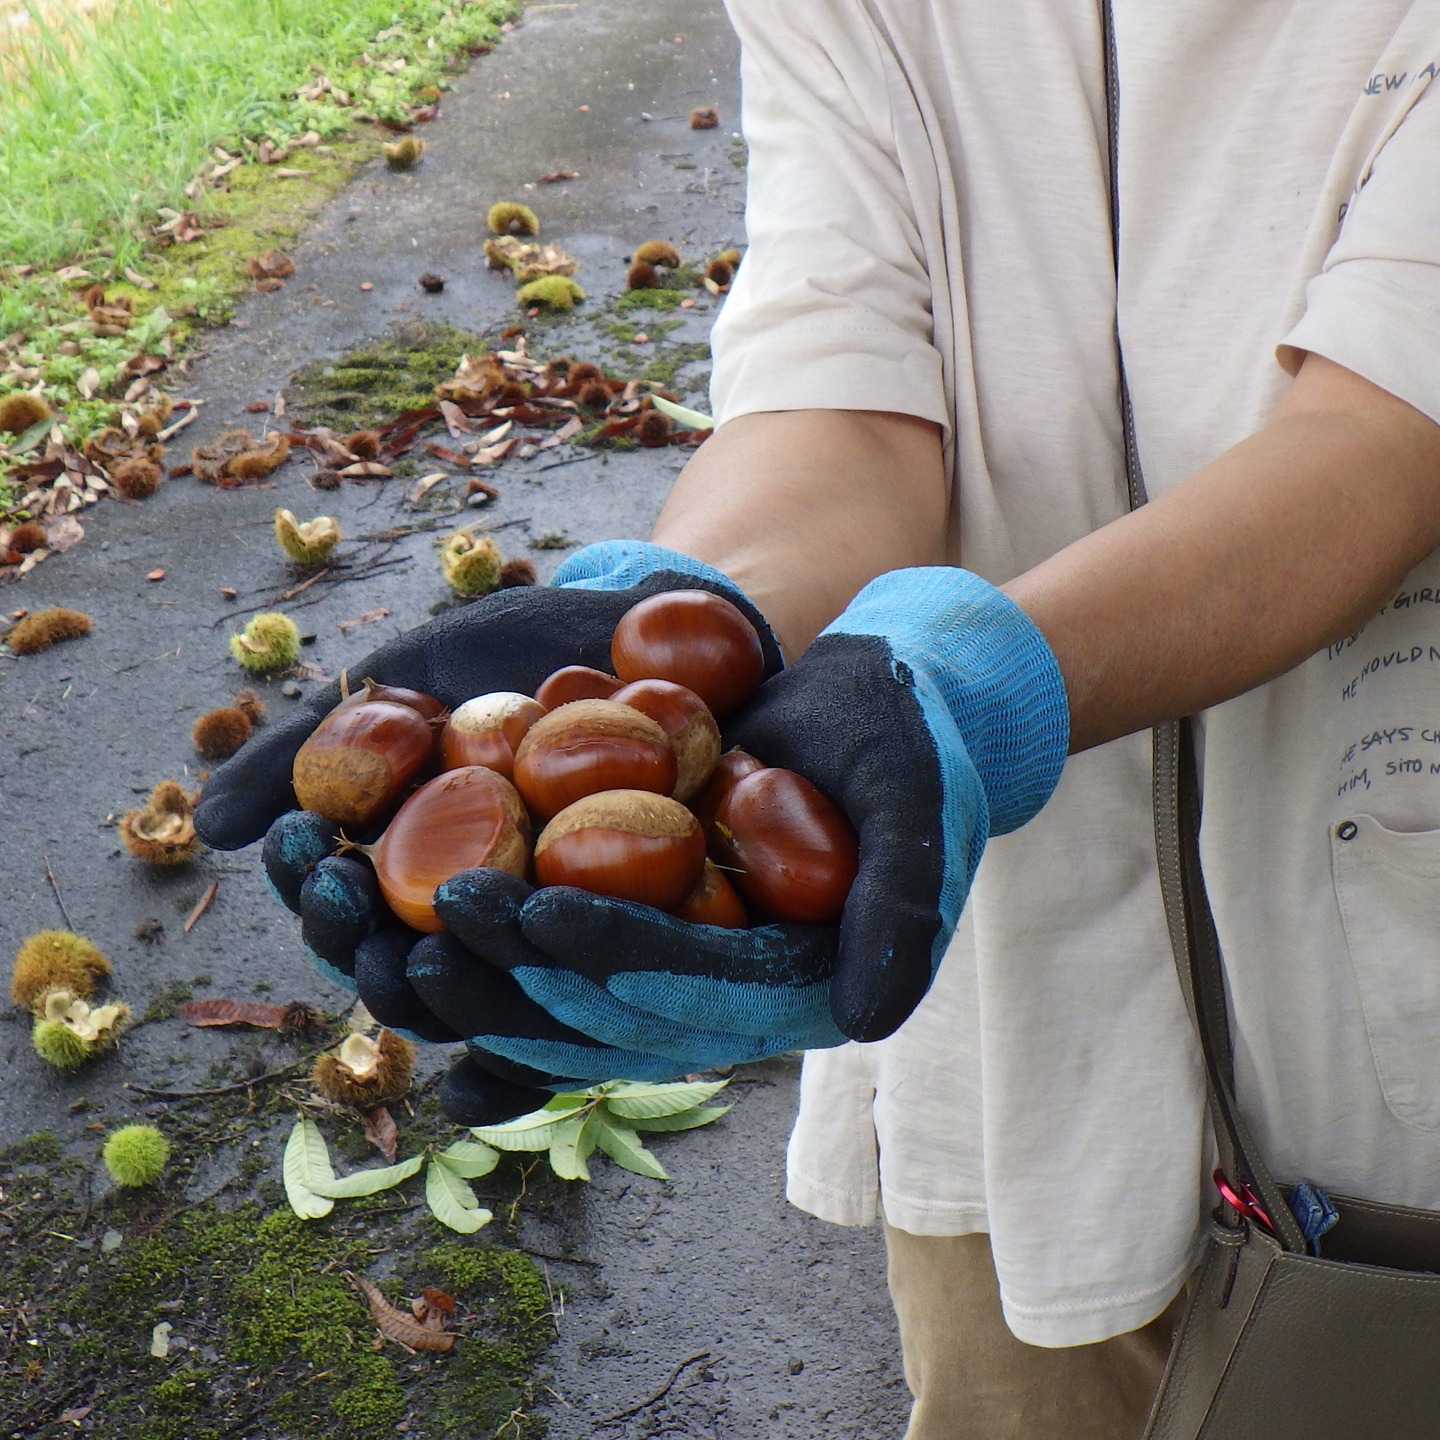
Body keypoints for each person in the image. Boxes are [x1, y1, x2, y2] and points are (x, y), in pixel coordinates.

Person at [197, 2, 1440, 1434]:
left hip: (1371, 979)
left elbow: (1379, 435)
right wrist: (698, 613)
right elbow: (842, 386)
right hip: (1007, 1028)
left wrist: (977, 685)